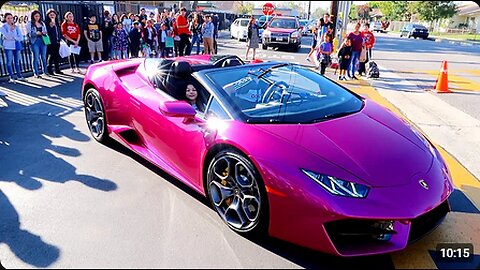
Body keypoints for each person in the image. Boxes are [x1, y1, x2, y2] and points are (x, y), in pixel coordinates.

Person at [0, 12, 26, 83]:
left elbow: (20, 37)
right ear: (5, 19)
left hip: (16, 45)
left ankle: (19, 76)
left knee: (17, 61)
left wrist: (14, 37)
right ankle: (11, 77)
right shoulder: (3, 27)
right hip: (8, 46)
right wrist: (11, 31)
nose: (10, 20)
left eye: (11, 18)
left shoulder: (16, 26)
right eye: (8, 18)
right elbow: (7, 36)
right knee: (9, 62)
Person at [26, 10, 48, 78]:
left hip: (43, 40)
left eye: (38, 16)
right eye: (35, 16)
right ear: (33, 16)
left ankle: (45, 71)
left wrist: (44, 33)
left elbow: (46, 31)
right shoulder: (30, 23)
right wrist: (35, 33)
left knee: (44, 57)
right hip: (34, 41)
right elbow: (28, 33)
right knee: (35, 57)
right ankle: (36, 73)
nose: (37, 17)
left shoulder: (42, 23)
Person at [45, 9, 64, 75]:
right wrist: (50, 26)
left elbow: (59, 32)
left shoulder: (57, 23)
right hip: (50, 42)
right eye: (51, 15)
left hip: (57, 41)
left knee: (56, 56)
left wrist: (60, 38)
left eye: (54, 14)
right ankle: (49, 69)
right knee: (51, 56)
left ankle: (57, 69)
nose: (52, 16)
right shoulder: (46, 23)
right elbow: (46, 32)